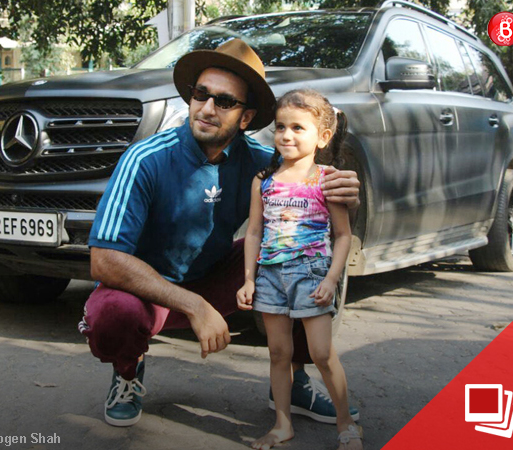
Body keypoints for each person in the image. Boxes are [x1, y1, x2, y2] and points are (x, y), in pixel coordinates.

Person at [79, 39, 361, 427]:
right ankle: (128, 373)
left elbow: (316, 189)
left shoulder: (262, 165)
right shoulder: (146, 159)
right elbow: (104, 259)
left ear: (245, 119)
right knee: (112, 314)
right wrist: (195, 306)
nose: (207, 109)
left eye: (225, 102)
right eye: (201, 95)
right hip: (149, 289)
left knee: (300, 256)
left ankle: (293, 381)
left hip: (215, 276)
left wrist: (344, 192)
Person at [237, 89, 362, 450]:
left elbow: (343, 236)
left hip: (311, 274)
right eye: (280, 127)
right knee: (279, 354)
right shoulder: (265, 180)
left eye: (297, 127)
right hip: (270, 277)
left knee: (322, 354)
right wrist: (248, 279)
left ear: (322, 137)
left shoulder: (327, 179)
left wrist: (331, 279)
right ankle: (282, 424)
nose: (286, 135)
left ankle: (345, 425)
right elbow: (254, 232)